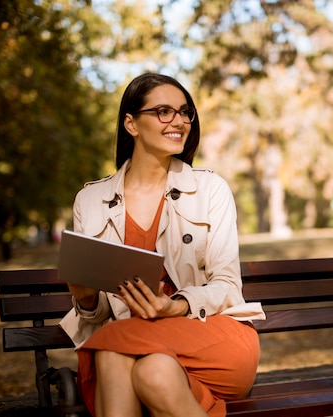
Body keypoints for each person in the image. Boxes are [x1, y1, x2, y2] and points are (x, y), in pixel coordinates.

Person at [59, 73, 266, 417]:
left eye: (185, 112)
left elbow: (227, 286)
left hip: (211, 336)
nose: (180, 121)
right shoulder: (90, 200)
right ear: (132, 123)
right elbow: (98, 313)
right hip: (139, 344)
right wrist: (84, 297)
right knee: (153, 371)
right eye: (164, 112)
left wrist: (176, 306)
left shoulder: (209, 189)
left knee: (111, 345)